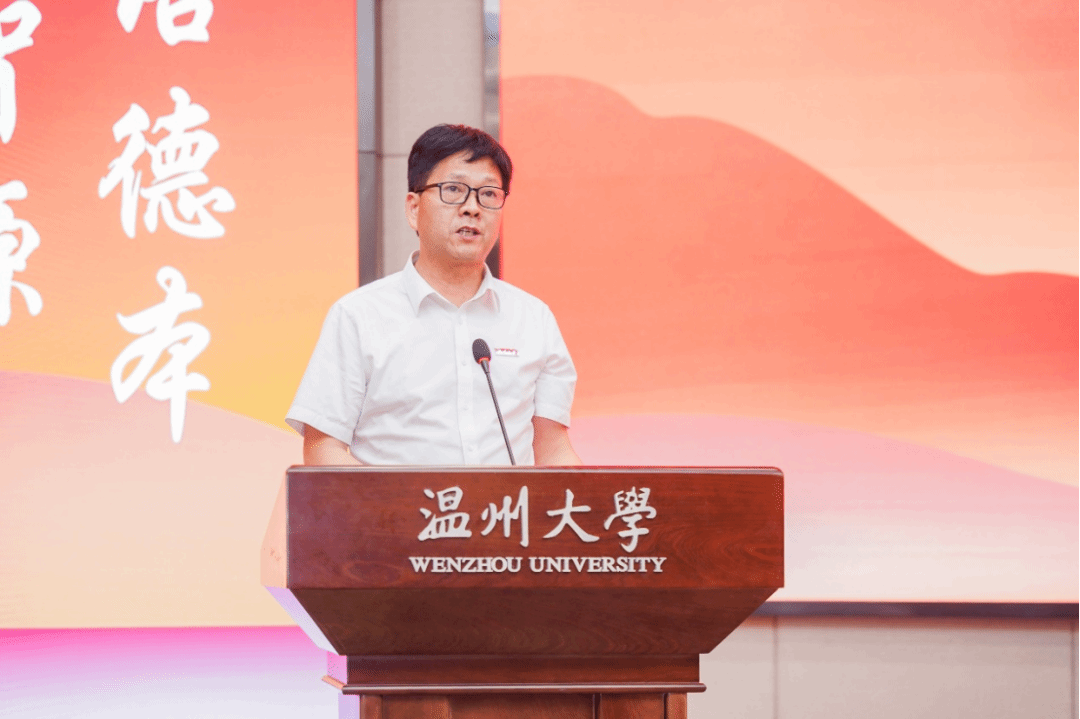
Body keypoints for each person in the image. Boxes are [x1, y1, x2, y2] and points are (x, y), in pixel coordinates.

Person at [286, 124, 583, 467]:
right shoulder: (358, 316)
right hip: (394, 505)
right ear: (414, 208)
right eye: (453, 190)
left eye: (488, 194)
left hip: (506, 505)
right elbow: (322, 448)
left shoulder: (533, 318)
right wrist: (397, 501)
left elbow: (553, 447)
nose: (472, 208)